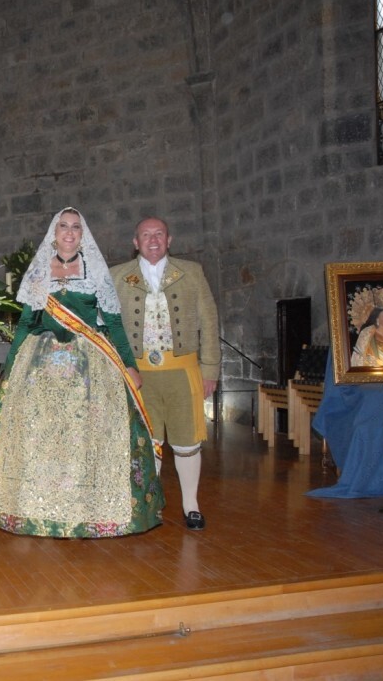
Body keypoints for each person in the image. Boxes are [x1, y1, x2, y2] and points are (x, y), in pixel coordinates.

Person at [0, 208, 164, 538]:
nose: (70, 233)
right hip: (41, 365)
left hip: (89, 365)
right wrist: (11, 370)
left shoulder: (96, 272)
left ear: (82, 233)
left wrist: (129, 364)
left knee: (86, 435)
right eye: (64, 227)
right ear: (54, 232)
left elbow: (114, 323)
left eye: (76, 227)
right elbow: (26, 325)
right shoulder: (38, 273)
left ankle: (90, 510)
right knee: (41, 435)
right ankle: (35, 507)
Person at [110, 216, 219, 531]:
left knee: (187, 439)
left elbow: (209, 322)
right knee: (148, 440)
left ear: (169, 240)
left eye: (159, 234)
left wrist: (210, 368)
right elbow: (109, 326)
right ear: (135, 242)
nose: (153, 239)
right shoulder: (118, 276)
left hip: (183, 370)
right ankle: (150, 504)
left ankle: (191, 505)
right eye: (146, 234)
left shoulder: (192, 272)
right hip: (138, 373)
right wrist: (118, 369)